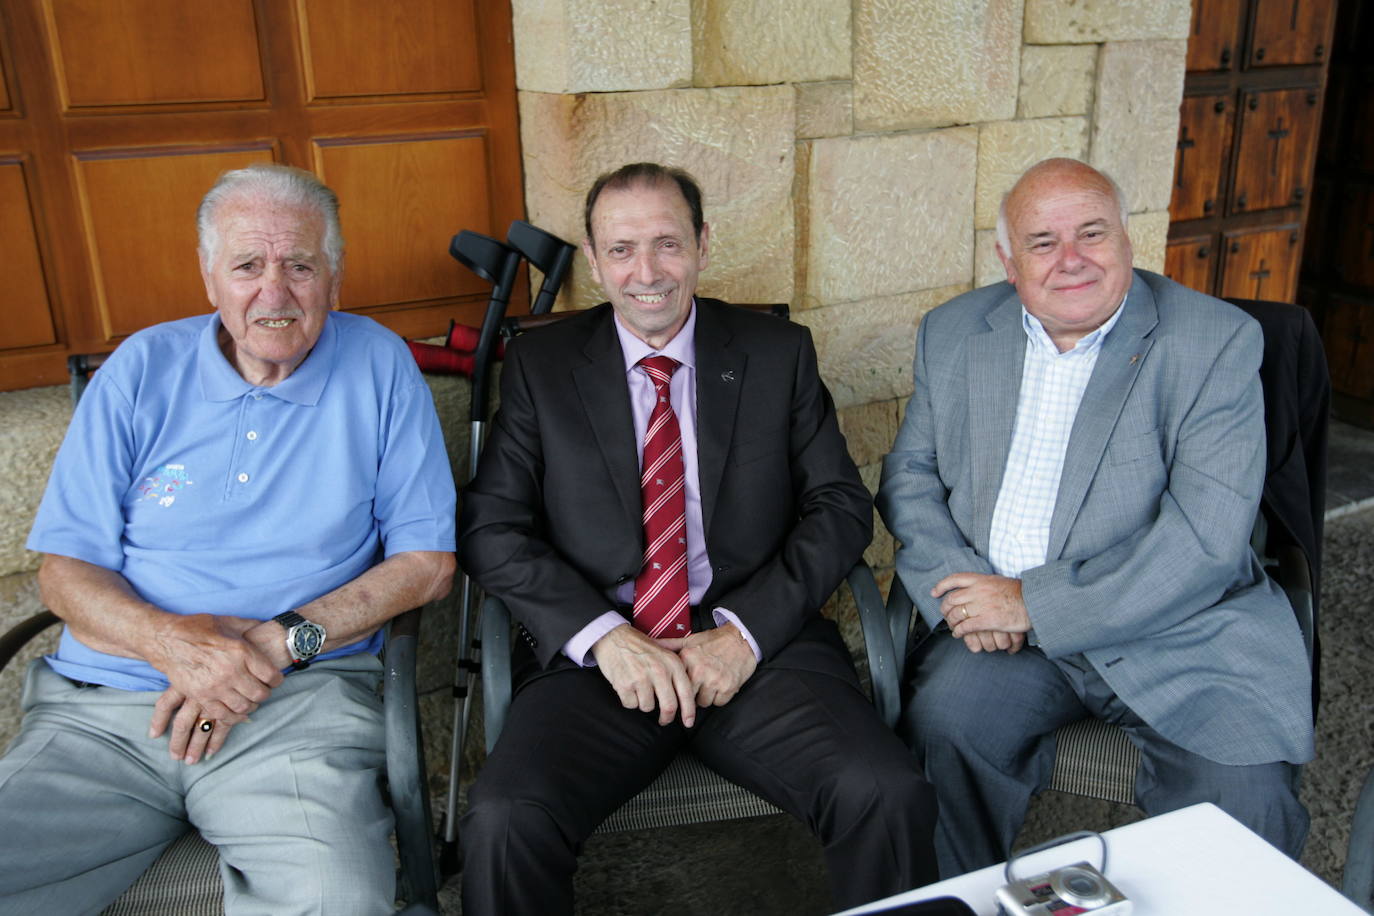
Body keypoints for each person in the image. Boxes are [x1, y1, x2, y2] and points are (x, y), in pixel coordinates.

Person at [457, 162, 937, 913]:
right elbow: (491, 527)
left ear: (703, 245)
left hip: (757, 648)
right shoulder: (543, 367)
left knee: (885, 790)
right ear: (592, 258)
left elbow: (841, 506)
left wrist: (745, 633)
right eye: (621, 250)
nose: (645, 272)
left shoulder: (775, 353)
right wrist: (604, 638)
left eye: (666, 244)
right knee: (505, 820)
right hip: (602, 665)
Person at [0, 163, 457, 914]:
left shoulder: (379, 364)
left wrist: (277, 645)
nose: (273, 293)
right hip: (104, 719)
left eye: (299, 266)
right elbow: (63, 573)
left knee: (337, 899)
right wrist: (170, 644)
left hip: (296, 708)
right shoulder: (140, 370)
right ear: (210, 277)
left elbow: (427, 565)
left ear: (334, 279)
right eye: (248, 266)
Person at [876, 157, 1313, 878]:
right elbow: (911, 477)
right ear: (1007, 258)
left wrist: (1030, 603)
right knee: (943, 731)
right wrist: (958, 595)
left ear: (1127, 239)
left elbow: (1204, 542)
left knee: (1241, 799)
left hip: (1181, 630)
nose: (1071, 261)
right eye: (1043, 242)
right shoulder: (953, 334)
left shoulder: (1214, 342)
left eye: (1091, 233)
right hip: (1001, 639)